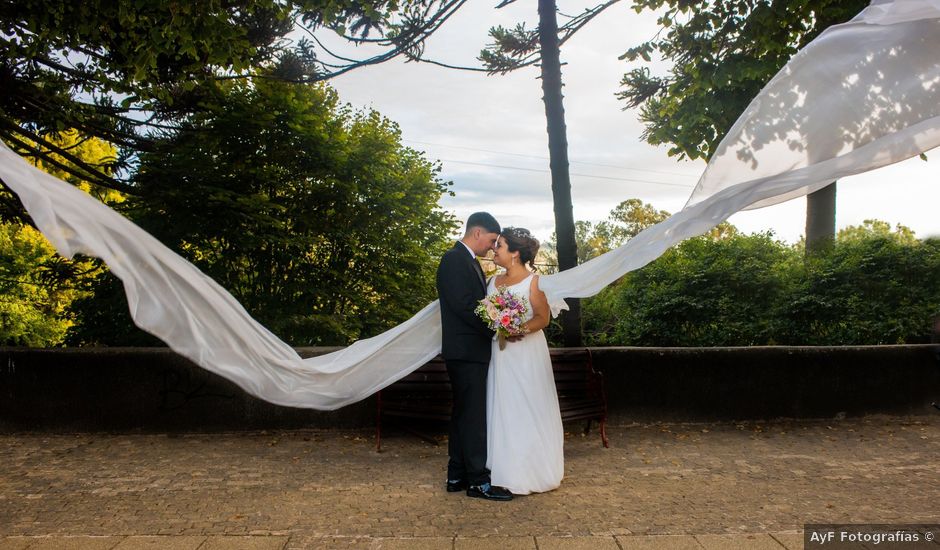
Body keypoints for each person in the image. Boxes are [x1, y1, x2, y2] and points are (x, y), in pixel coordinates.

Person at [436, 212, 513, 501]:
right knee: (473, 417)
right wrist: (498, 325)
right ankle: (479, 482)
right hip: (466, 351)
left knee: (462, 414)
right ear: (477, 233)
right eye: (493, 240)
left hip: (466, 350)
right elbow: (465, 306)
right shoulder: (454, 260)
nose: (493, 247)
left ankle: (456, 474)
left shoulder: (468, 262)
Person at [486, 227, 564, 495]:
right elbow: (487, 313)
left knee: (527, 406)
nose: (494, 249)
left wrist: (518, 329)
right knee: (503, 406)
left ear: (515, 253)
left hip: (527, 354)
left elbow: (543, 318)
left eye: (500, 245)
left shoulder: (534, 282)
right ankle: (503, 469)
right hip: (501, 353)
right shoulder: (492, 282)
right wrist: (498, 325)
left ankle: (530, 471)